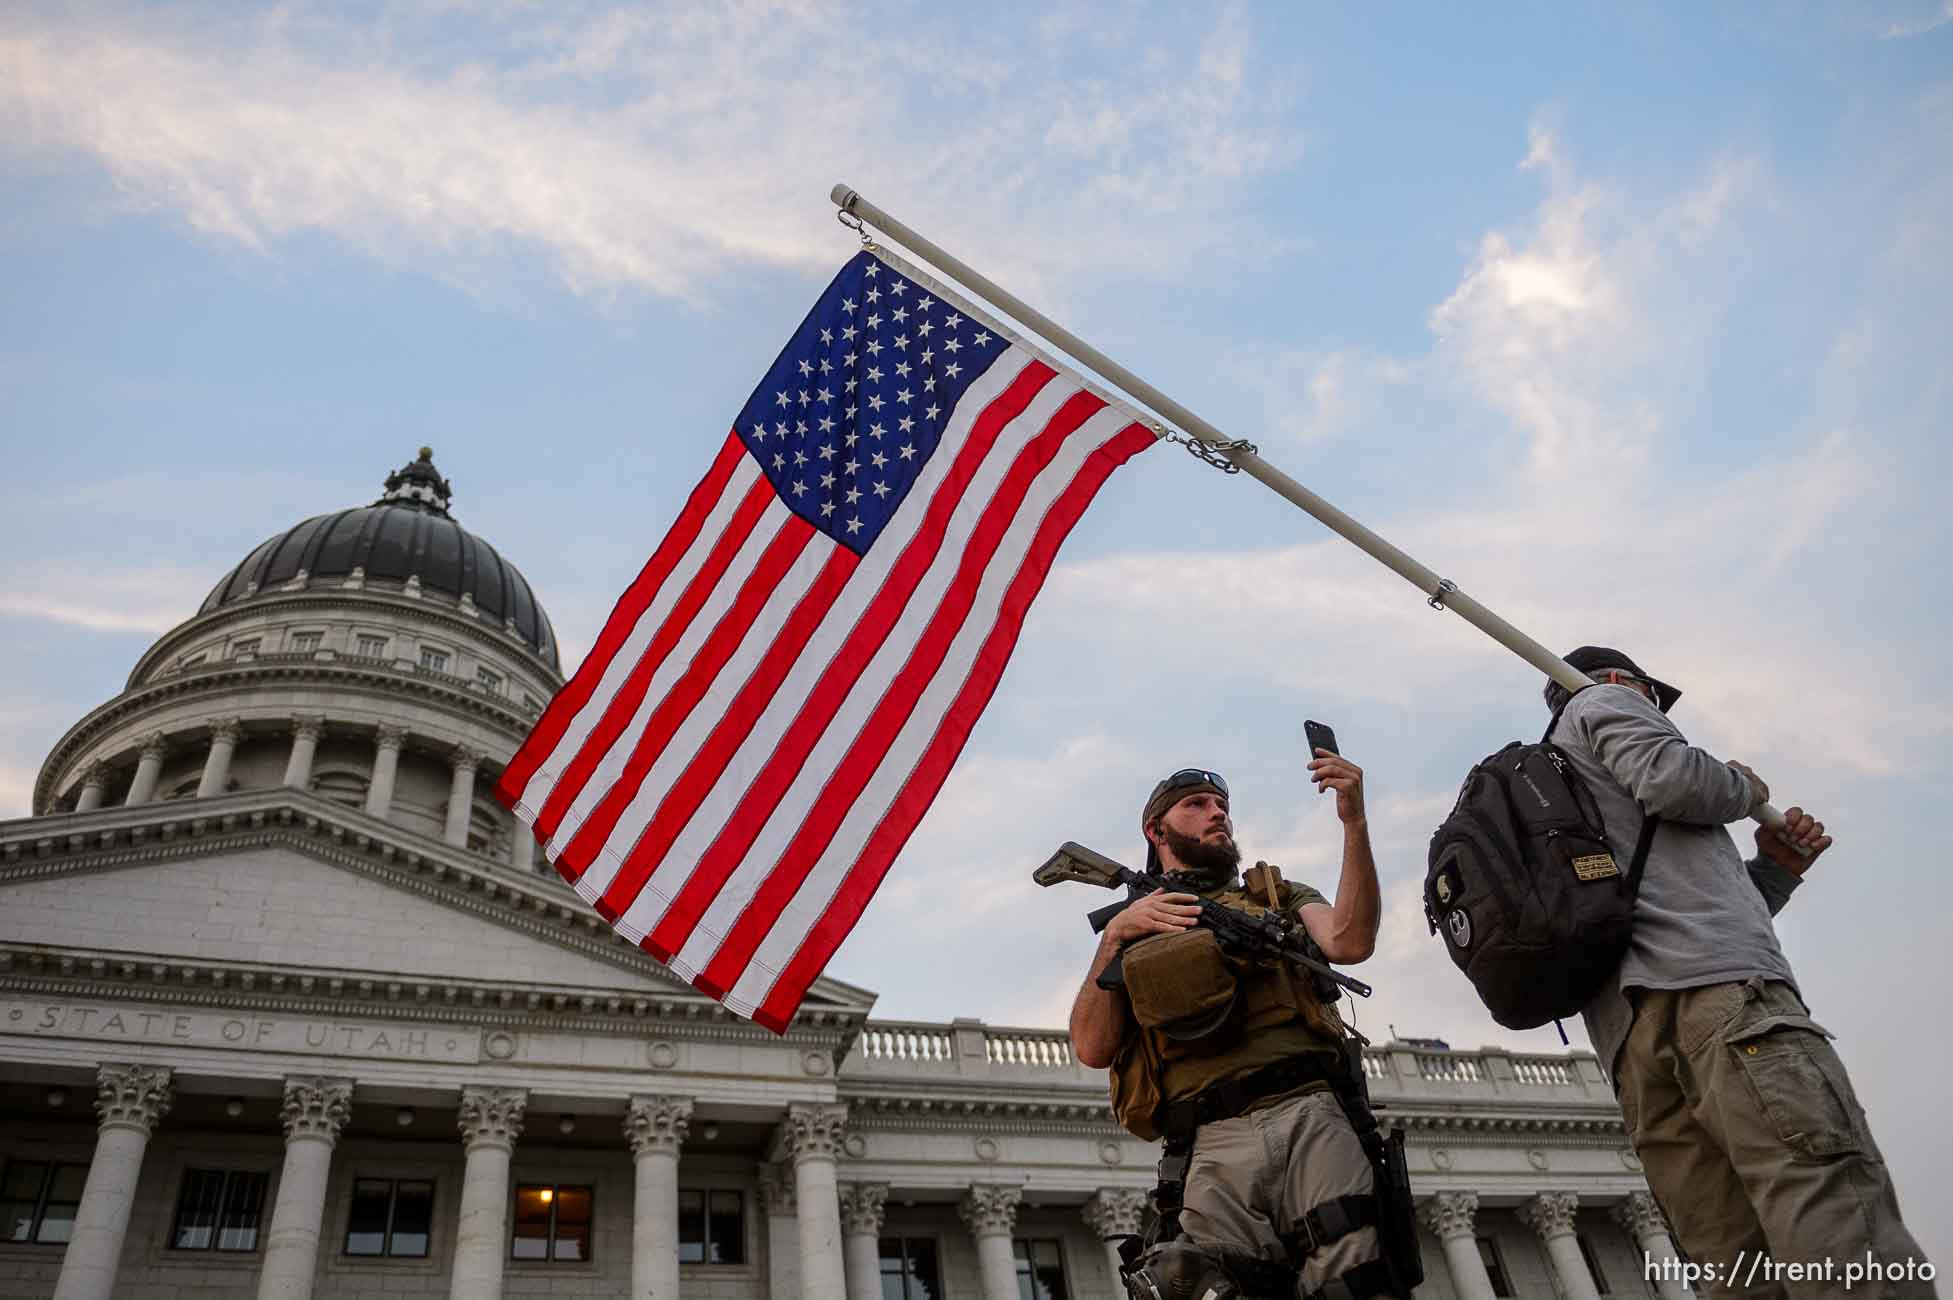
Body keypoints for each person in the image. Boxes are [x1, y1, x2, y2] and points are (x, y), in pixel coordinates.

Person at [1547, 645, 1931, 1297]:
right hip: (1717, 1005)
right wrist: (1746, 786)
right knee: (1829, 1213)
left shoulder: (1552, 785)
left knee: (1732, 1260)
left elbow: (1662, 908)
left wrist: (1775, 870)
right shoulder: (1605, 699)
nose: (1653, 710)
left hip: (1632, 1047)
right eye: (1652, 696)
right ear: (1623, 681)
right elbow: (1674, 780)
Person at [1068, 753, 1398, 1300]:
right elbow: (1091, 1046)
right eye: (1196, 805)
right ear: (1156, 829)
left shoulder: (1273, 896)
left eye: (1222, 805)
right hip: (1208, 1139)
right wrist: (1115, 938)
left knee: (1355, 1281)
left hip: (1309, 1110)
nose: (1217, 814)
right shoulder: (1139, 923)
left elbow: (1349, 941)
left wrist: (1353, 822)